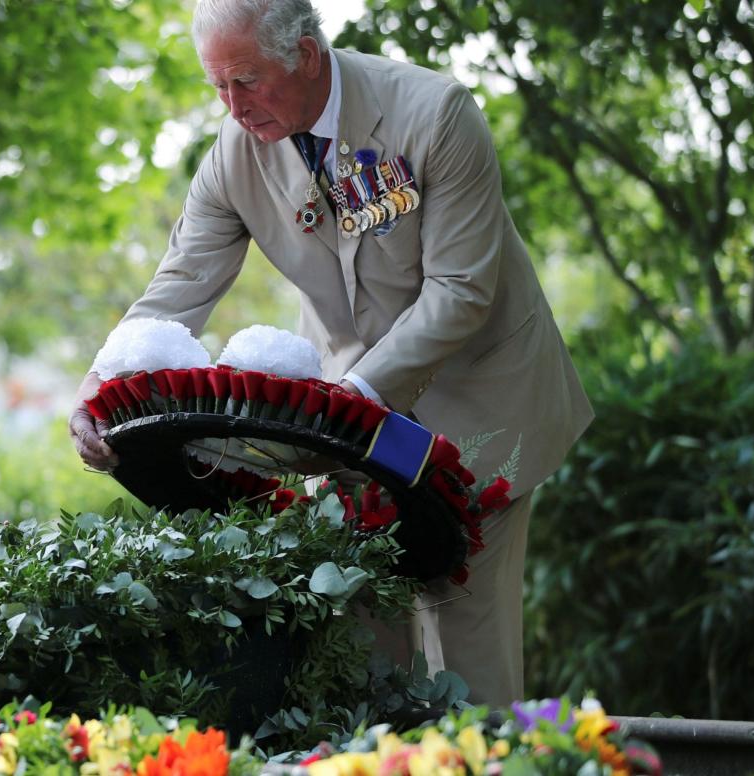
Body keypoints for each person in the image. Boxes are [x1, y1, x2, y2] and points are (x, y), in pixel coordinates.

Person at [67, 0, 593, 706]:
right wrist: (101, 381)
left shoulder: (437, 112)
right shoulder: (234, 150)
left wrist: (358, 399)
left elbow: (463, 290)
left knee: (466, 655)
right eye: (217, 86)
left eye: (247, 81)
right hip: (342, 424)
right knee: (360, 644)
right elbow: (181, 281)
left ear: (308, 55)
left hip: (478, 405)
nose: (233, 106)